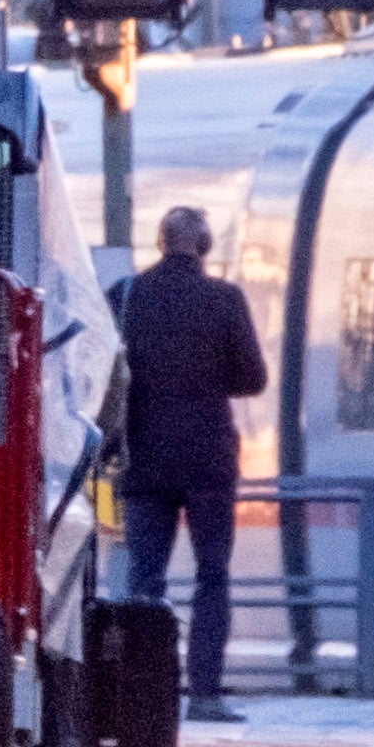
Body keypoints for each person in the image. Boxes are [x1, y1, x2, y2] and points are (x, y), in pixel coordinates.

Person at [112, 203, 270, 714]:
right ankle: (204, 694)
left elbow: (104, 371)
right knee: (212, 576)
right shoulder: (223, 299)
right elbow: (253, 379)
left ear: (160, 242)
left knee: (145, 579)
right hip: (207, 460)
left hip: (144, 457)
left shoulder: (128, 296)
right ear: (203, 248)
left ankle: (143, 697)